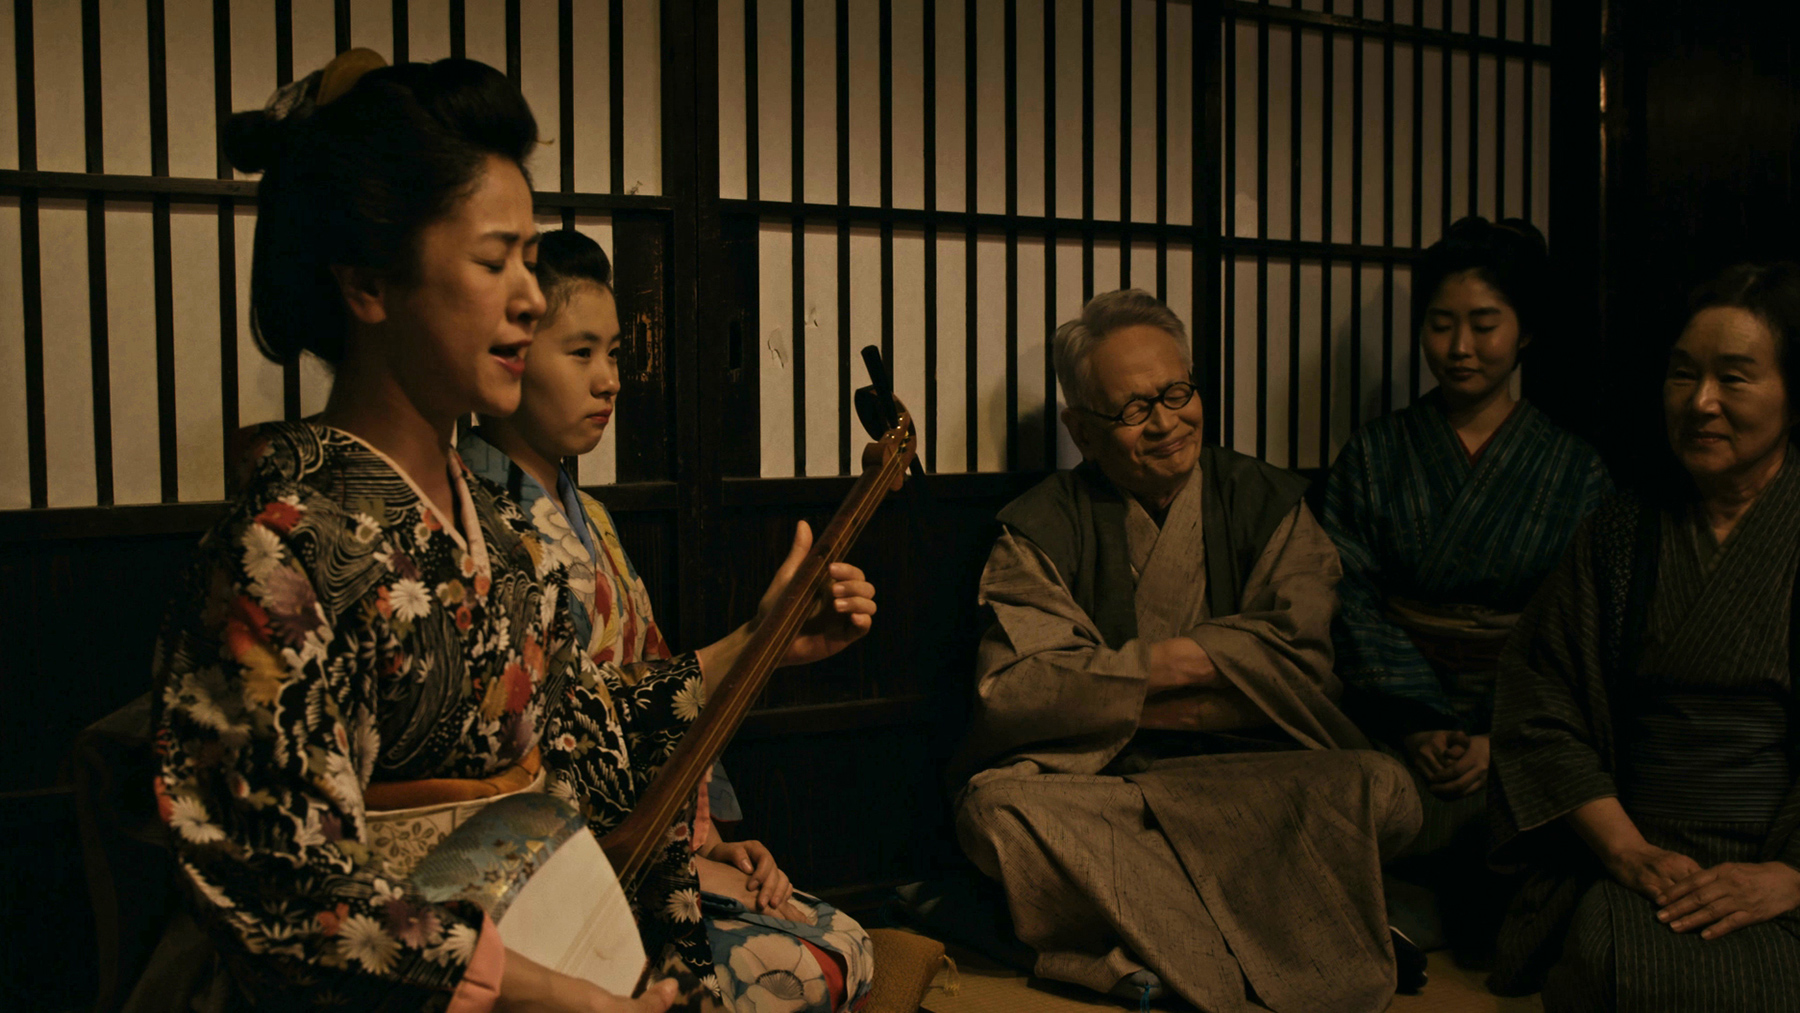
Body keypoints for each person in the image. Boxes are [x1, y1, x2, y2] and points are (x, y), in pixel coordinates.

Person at [147, 51, 875, 1012]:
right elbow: (284, 896)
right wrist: (562, 996)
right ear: (368, 283)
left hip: (547, 959)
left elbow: (585, 740)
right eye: (495, 260)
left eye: (530, 259)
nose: (530, 295)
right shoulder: (281, 549)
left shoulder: (491, 528)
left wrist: (761, 642)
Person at [949, 289, 1424, 1013]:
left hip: (1254, 770)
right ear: (1081, 425)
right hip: (1109, 785)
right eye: (1135, 409)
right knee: (994, 813)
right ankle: (1294, 922)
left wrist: (1119, 682)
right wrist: (1178, 670)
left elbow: (1301, 657)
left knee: (1385, 790)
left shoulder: (1264, 500)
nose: (1168, 422)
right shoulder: (1042, 525)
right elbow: (1017, 687)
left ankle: (1130, 946)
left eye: (1178, 392)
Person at [458, 229, 875, 1013]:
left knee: (845, 944)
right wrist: (676, 860)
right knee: (807, 966)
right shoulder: (484, 529)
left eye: (614, 354)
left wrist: (710, 841)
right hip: (560, 885)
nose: (610, 380)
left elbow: (659, 683)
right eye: (580, 353)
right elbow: (565, 741)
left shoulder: (598, 525)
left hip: (658, 847)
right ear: (512, 352)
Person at [1488, 262, 1800, 1010]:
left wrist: (1790, 876)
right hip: (1641, 855)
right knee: (1606, 963)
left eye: (1735, 377)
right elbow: (1540, 701)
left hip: (1783, 863)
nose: (1701, 402)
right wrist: (1626, 851)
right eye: (1683, 374)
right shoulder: (1624, 531)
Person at [1320, 217, 1610, 956]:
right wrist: (1417, 718)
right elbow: (1345, 592)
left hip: (1520, 724)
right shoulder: (1374, 454)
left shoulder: (1576, 471)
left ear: (1526, 331)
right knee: (1321, 784)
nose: (1459, 348)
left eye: (1484, 325)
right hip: (1390, 717)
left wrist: (1496, 732)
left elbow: (1575, 624)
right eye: (1441, 324)